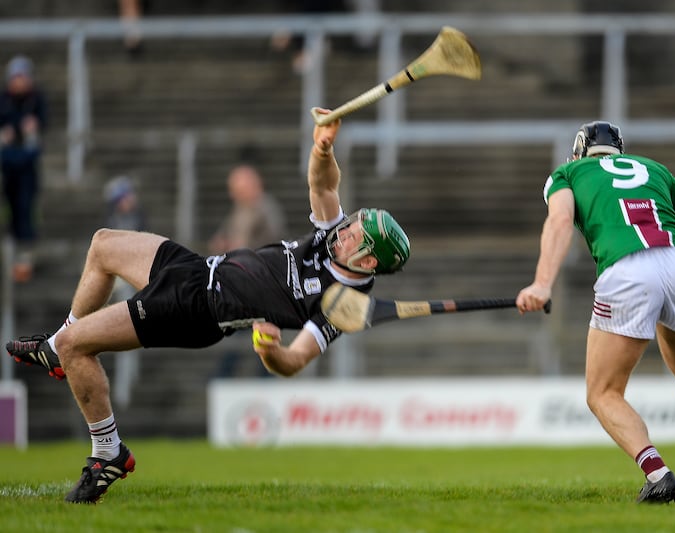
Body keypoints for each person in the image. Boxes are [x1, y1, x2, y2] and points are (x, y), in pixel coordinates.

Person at [5, 108, 411, 504]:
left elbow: (295, 361)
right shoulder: (329, 240)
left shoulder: (340, 304)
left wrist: (271, 352)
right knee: (103, 244)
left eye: (355, 236)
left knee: (80, 346)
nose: (344, 233)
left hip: (196, 309)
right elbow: (323, 188)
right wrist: (323, 149)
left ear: (369, 261)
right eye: (352, 224)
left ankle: (107, 451)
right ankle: (56, 347)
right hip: (196, 269)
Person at [516, 121, 675, 504]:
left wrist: (542, 283)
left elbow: (560, 220)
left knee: (603, 392)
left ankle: (658, 474)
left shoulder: (567, 173)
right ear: (620, 151)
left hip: (626, 269)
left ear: (580, 151)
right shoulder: (654, 170)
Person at [207, 164, 289, 378]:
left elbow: (273, 245)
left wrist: (239, 249)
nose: (233, 194)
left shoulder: (266, 209)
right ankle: (223, 379)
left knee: (256, 337)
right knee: (240, 335)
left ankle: (240, 380)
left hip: (262, 287)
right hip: (242, 286)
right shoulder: (240, 210)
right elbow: (224, 237)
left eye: (238, 188)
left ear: (254, 185)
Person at [0, 54, 48, 282]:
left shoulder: (36, 100)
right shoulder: (4, 101)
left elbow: (40, 130)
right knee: (9, 211)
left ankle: (24, 260)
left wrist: (31, 132)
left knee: (27, 209)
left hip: (27, 166)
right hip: (7, 165)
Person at [207, 164, 288, 254]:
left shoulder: (267, 208)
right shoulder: (239, 208)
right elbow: (223, 234)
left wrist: (245, 246)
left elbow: (274, 239)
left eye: (239, 191)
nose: (232, 195)